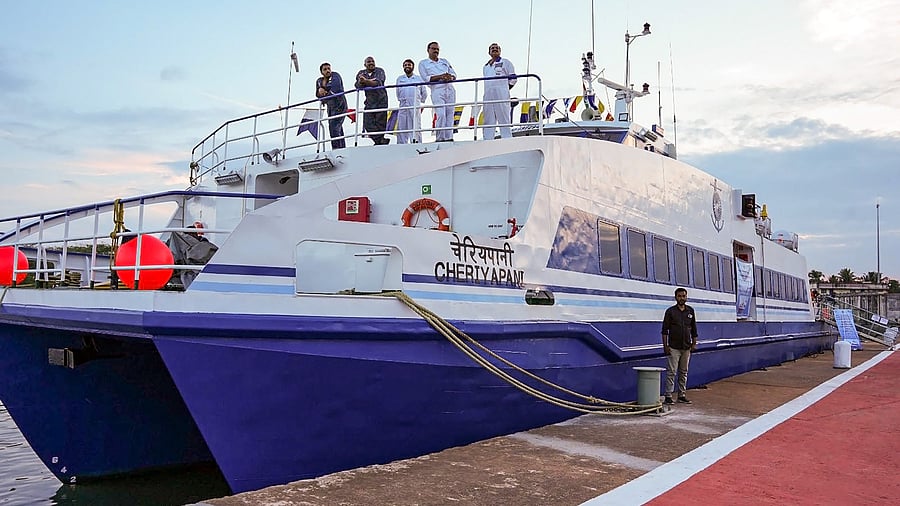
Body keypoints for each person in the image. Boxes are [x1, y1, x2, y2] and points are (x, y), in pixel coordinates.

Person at [661, 287, 698, 404]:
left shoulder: (690, 311)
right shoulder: (670, 312)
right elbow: (664, 330)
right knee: (671, 371)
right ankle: (668, 395)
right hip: (674, 347)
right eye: (679, 296)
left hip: (686, 347)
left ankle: (682, 395)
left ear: (686, 297)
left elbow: (694, 329)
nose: (682, 298)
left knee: (683, 372)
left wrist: (694, 343)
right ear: (675, 297)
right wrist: (665, 346)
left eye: (683, 296)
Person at [419, 41, 456, 142]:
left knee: (450, 114)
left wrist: (450, 77)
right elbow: (425, 78)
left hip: (449, 88)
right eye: (433, 49)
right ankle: (440, 138)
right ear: (428, 50)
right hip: (437, 89)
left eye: (437, 49)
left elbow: (454, 74)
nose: (436, 51)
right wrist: (440, 76)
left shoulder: (444, 61)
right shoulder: (423, 63)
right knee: (441, 114)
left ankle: (449, 138)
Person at [481, 43, 516, 140]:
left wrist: (504, 89)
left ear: (500, 51)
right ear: (489, 52)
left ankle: (507, 139)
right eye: (492, 48)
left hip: (501, 93)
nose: (494, 49)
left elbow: (513, 78)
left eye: (497, 48)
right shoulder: (486, 66)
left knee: (504, 117)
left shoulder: (506, 62)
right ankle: (488, 140)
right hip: (488, 94)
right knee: (488, 118)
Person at [355, 56, 390, 145]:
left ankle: (379, 141)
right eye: (369, 62)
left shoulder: (379, 71)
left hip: (381, 100)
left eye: (372, 61)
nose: (371, 63)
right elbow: (357, 85)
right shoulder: (361, 72)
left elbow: (377, 83)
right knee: (367, 123)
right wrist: (366, 81)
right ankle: (380, 141)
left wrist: (365, 81)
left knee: (380, 123)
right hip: (369, 101)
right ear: (365, 64)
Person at [316, 63, 348, 149]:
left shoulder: (335, 76)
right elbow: (318, 94)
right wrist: (320, 90)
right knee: (336, 127)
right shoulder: (319, 81)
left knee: (334, 126)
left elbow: (336, 89)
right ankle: (342, 147)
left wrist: (325, 93)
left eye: (329, 68)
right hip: (330, 107)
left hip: (340, 105)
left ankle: (337, 148)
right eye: (325, 69)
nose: (327, 71)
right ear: (321, 72)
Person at [395, 59, 427, 144]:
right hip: (403, 104)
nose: (407, 66)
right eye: (405, 65)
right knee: (402, 125)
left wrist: (418, 101)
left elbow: (424, 93)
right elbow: (398, 93)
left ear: (413, 66)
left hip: (414, 104)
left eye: (409, 65)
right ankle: (401, 144)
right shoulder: (400, 79)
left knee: (415, 124)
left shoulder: (418, 78)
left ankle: (417, 143)